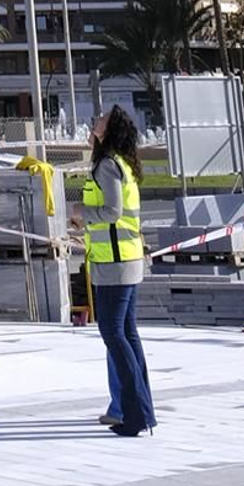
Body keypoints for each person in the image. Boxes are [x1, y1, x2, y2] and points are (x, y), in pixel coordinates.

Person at [78, 106, 155, 437]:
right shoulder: (121, 163)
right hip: (127, 257)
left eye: (101, 119)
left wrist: (82, 213)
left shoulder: (107, 164)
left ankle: (133, 411)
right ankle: (140, 409)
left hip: (115, 261)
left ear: (109, 129)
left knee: (113, 333)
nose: (95, 121)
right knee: (127, 333)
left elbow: (111, 211)